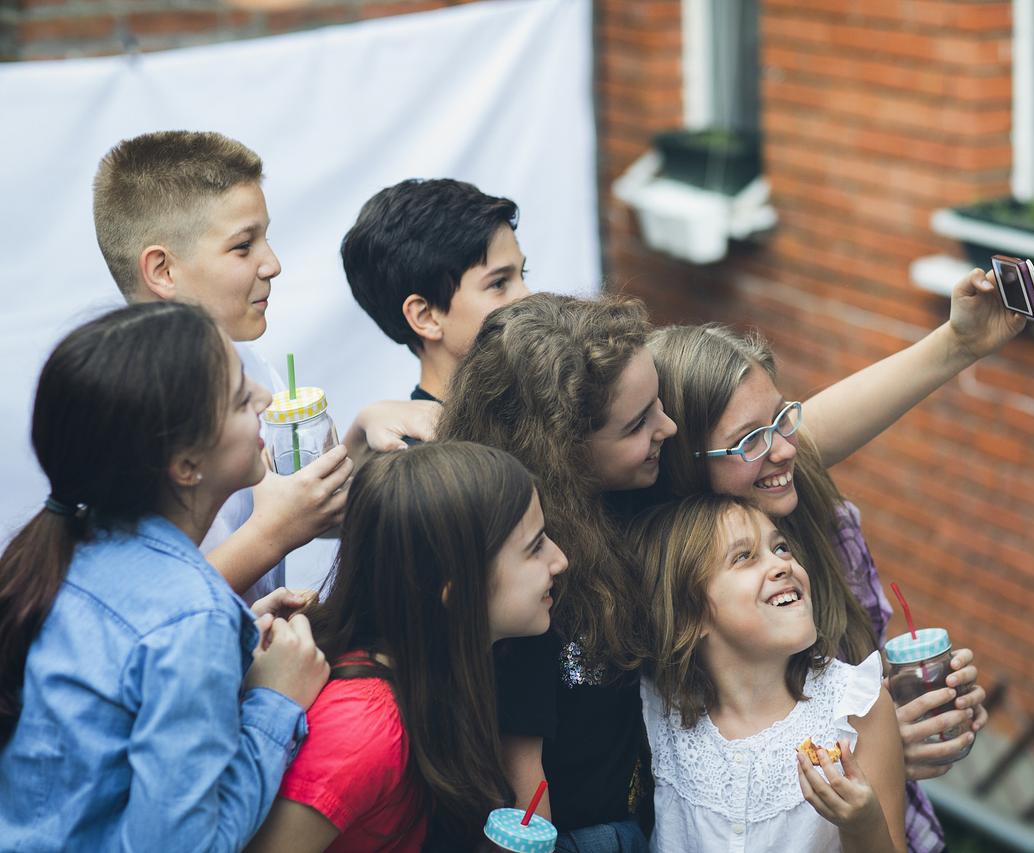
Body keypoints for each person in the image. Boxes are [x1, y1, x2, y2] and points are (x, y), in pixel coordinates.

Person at [644, 270, 1017, 851]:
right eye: (749, 442)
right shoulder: (660, 599)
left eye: (782, 420)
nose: (787, 449)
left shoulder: (808, 506)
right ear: (681, 462)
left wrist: (899, 726)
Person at [0, 301, 329, 850]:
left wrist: (235, 637)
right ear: (184, 465)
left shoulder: (70, 550)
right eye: (239, 397)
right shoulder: (189, 618)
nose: (266, 399)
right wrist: (277, 701)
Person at [92, 130, 435, 602]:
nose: (272, 264)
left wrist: (356, 442)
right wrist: (272, 535)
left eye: (266, 239)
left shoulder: (247, 364)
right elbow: (143, 609)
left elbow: (310, 510)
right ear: (163, 271)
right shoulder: (112, 413)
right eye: (242, 247)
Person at [437, 293, 675, 851]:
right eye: (639, 423)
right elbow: (523, 776)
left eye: (658, 402)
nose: (668, 426)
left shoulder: (618, 498)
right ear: (562, 450)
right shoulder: (530, 583)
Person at [247, 442, 567, 852]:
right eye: (535, 546)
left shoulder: (437, 674)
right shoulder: (364, 726)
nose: (559, 560)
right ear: (455, 591)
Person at [631, 495, 906, 853]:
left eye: (781, 548)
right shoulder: (658, 708)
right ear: (689, 615)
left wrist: (863, 823)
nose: (781, 565)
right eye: (744, 557)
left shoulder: (855, 708)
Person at [341, 178, 530, 406]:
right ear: (425, 317)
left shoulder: (547, 415)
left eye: (523, 273)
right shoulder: (413, 442)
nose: (529, 296)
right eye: (498, 283)